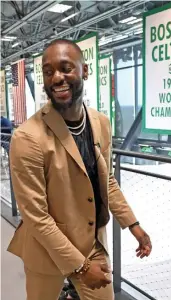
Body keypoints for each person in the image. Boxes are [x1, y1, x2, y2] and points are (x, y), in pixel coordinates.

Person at [8, 39, 152, 300]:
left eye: (66, 68)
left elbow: (106, 180)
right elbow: (36, 217)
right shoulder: (27, 137)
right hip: (46, 248)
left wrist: (133, 224)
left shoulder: (100, 123)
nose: (57, 78)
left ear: (85, 70)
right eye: (49, 71)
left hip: (91, 241)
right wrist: (82, 268)